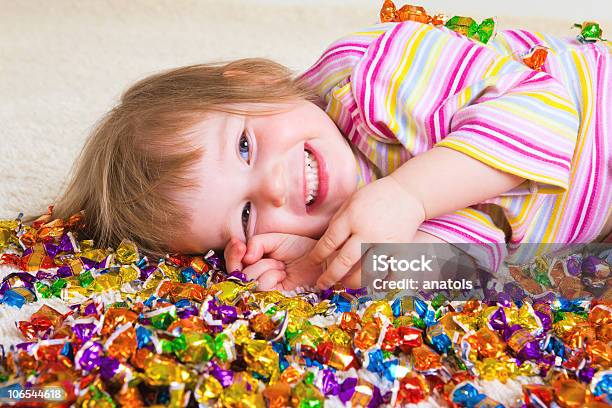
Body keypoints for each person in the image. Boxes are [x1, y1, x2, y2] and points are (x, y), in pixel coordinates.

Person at [49, 20, 612, 292]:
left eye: (245, 145)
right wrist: (337, 266)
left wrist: (409, 194)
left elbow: (553, 117)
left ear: (251, 82)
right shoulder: (349, 221)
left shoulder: (370, 76)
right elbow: (475, 271)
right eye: (246, 216)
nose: (271, 189)